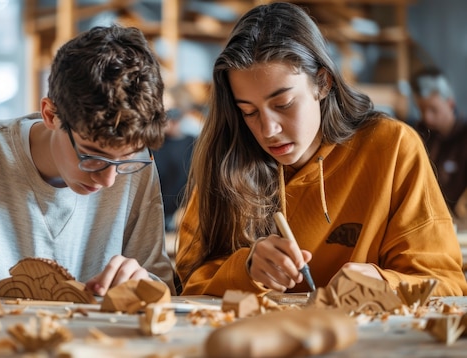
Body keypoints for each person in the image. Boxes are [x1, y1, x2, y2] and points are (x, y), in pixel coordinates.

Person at [176, 2, 467, 297]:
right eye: (249, 112)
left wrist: (384, 284)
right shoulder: (229, 156)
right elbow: (188, 281)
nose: (268, 130)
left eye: (283, 105)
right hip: (260, 336)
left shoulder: (392, 148)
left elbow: (446, 283)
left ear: (323, 83)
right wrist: (245, 270)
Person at [0, 25, 176, 296]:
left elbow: (162, 289)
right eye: (92, 156)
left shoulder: (137, 165)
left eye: (124, 161)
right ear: (50, 114)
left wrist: (144, 284)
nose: (108, 180)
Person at [410, 67, 467, 223]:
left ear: (450, 103)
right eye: (421, 110)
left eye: (434, 109)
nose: (427, 118)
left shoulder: (464, 138)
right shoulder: (419, 134)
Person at [154, 86, 197, 232]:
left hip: (183, 222)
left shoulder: (194, 145)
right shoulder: (151, 147)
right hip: (155, 220)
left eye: (170, 113)